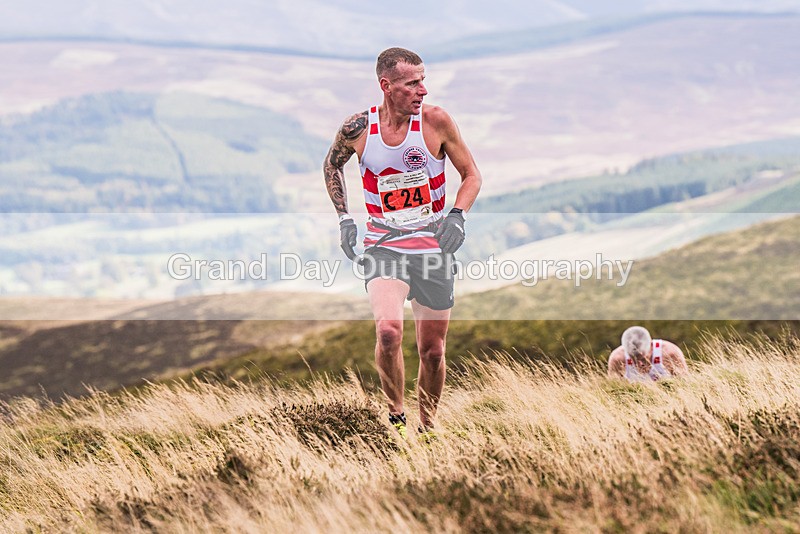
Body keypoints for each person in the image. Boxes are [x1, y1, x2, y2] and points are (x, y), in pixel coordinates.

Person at [323, 47, 482, 436]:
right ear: (386, 85)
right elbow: (332, 165)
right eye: (413, 83)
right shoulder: (359, 128)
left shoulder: (436, 121)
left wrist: (457, 216)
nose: (422, 90)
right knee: (389, 332)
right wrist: (344, 218)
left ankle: (427, 427)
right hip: (384, 244)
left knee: (433, 352)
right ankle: (396, 416)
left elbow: (472, 175)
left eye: (423, 81)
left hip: (432, 247)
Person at [608, 326, 688, 381]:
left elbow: (684, 383)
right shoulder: (617, 358)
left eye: (642, 358)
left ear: (650, 347)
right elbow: (614, 389)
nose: (640, 363)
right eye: (633, 358)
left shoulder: (670, 352)